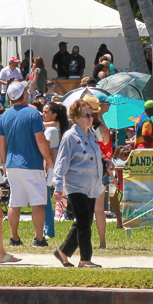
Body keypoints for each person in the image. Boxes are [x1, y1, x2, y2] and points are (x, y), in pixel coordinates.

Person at [52, 98, 107, 268]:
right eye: (86, 115)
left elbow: (96, 156)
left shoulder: (92, 134)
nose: (90, 118)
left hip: (92, 184)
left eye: (91, 115)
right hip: (75, 185)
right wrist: (58, 187)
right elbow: (61, 163)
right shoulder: (70, 137)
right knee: (84, 221)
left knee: (84, 221)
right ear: (75, 117)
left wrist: (106, 164)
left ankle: (62, 251)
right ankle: (85, 259)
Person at [0, 80, 52, 247]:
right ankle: (39, 238)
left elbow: (1, 142)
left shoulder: (5, 115)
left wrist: (4, 162)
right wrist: (49, 159)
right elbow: (41, 140)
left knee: (15, 202)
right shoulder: (33, 114)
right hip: (31, 163)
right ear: (24, 94)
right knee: (38, 202)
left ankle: (14, 238)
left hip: (12, 164)